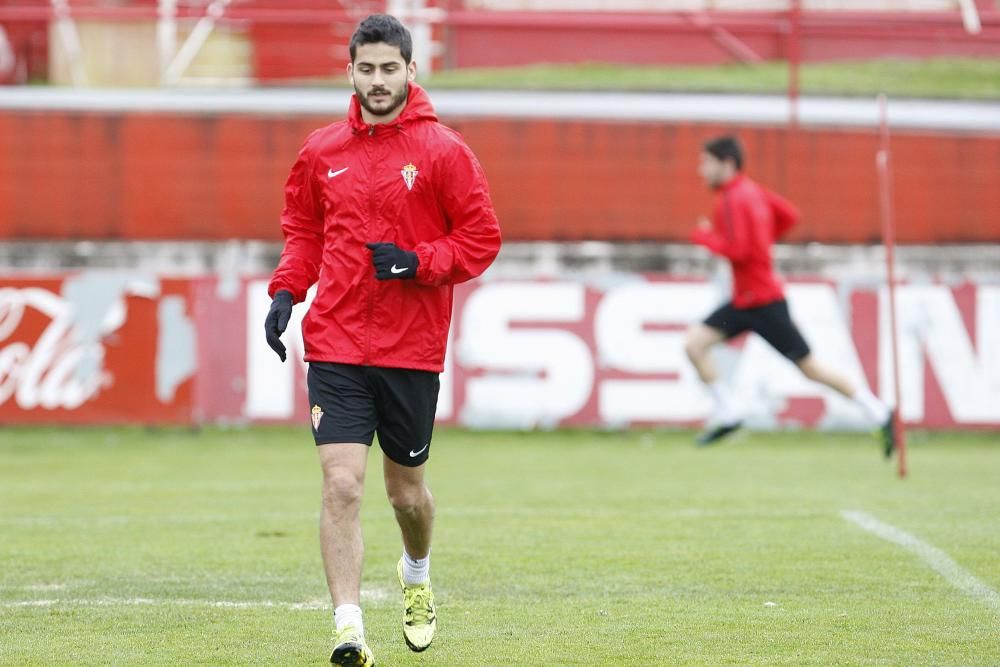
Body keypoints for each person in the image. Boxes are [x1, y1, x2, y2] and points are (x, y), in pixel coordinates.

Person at [263, 14, 502, 666]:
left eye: (388, 69)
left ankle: (417, 574)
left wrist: (417, 261)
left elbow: (481, 240)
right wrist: (286, 291)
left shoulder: (444, 152)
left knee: (406, 495)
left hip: (410, 350)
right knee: (341, 484)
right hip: (335, 341)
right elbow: (303, 232)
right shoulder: (321, 151)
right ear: (350, 72)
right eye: (365, 69)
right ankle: (347, 630)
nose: (377, 80)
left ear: (411, 71)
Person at [685, 134, 895, 454]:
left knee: (809, 367)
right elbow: (789, 215)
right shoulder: (751, 191)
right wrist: (763, 239)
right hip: (745, 300)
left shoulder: (731, 199)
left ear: (726, 164)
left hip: (763, 302)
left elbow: (739, 251)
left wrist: (705, 238)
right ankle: (730, 412)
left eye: (706, 163)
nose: (701, 170)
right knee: (694, 344)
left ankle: (878, 411)